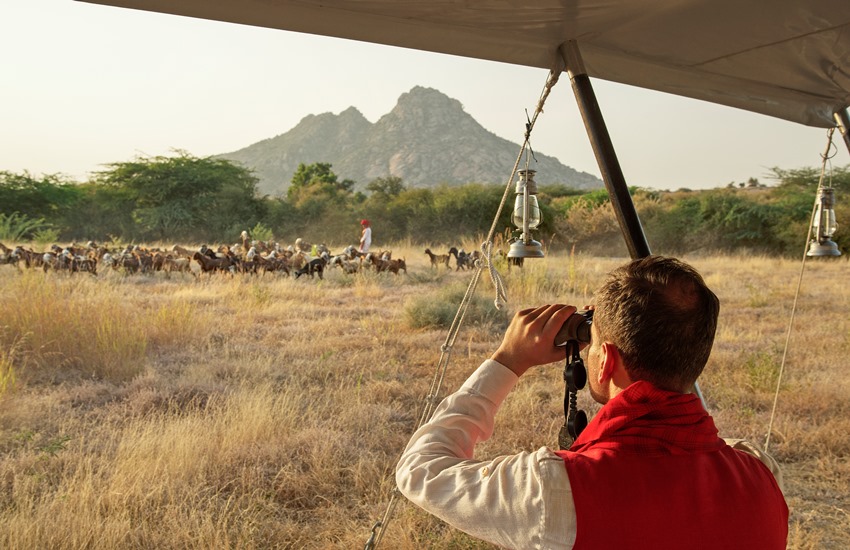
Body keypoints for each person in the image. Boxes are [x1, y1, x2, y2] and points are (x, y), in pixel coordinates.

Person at [396, 255, 788, 549]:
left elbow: (420, 470)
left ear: (607, 362)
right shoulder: (760, 474)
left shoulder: (554, 491)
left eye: (594, 342)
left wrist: (508, 360)